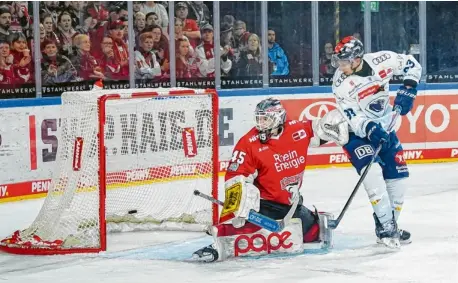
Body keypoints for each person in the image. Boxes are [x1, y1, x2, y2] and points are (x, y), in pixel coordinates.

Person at [193, 98, 349, 262]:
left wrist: (345, 126)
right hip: (263, 206)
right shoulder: (248, 143)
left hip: (291, 205)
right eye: (259, 118)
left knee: (314, 233)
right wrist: (240, 205)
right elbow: (234, 177)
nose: (261, 123)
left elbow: (322, 128)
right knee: (245, 230)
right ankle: (222, 239)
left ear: (278, 118)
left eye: (265, 119)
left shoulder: (298, 130)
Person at [330, 36, 422, 248]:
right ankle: (387, 225)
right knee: (372, 175)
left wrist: (409, 87)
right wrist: (369, 128)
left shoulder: (383, 59)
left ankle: (388, 226)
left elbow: (412, 64)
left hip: (386, 125)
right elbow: (352, 116)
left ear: (357, 58)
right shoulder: (340, 83)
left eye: (345, 61)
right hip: (356, 134)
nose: (340, 66)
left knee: (399, 178)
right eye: (339, 61)